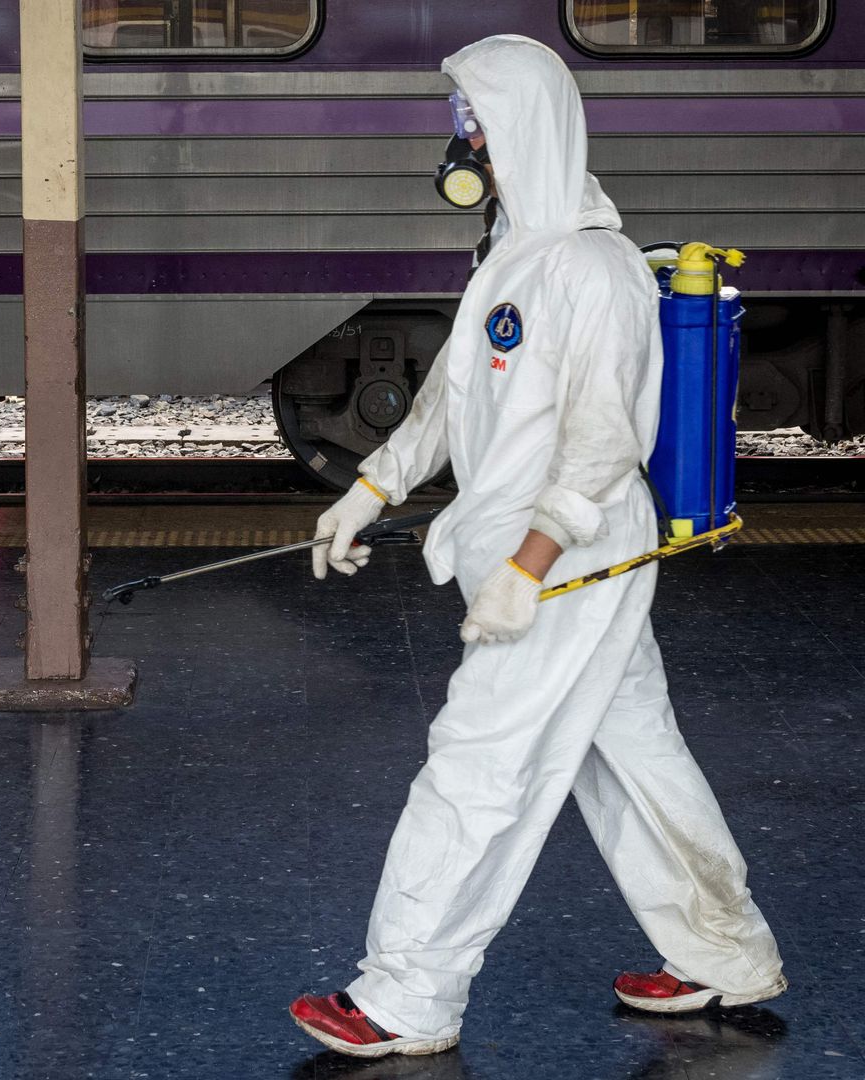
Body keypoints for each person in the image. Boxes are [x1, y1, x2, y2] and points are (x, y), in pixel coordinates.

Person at [288, 35, 785, 1058]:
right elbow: (451, 397)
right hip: (531, 561)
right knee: (633, 755)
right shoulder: (514, 252)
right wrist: (373, 486)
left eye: (474, 119)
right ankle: (727, 956)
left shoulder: (592, 269)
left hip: (566, 564)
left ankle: (406, 995)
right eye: (461, 118)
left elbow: (603, 445)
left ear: (526, 127)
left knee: (476, 766)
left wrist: (525, 573)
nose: (460, 139)